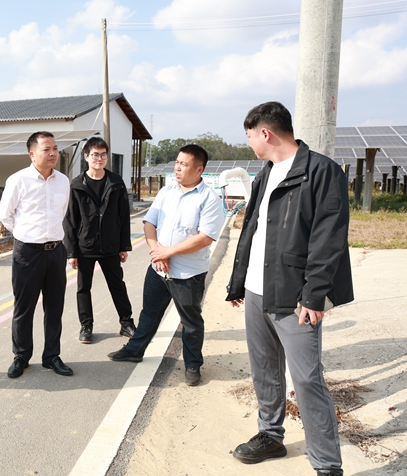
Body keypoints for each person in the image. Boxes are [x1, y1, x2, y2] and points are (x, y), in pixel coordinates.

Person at [226, 102, 353, 476]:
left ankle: (327, 465)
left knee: (307, 379)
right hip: (257, 291)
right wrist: (239, 282)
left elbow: (329, 238)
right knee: (264, 370)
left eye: (250, 136)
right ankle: (271, 436)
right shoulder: (264, 173)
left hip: (295, 296)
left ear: (265, 133)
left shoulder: (321, 172)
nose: (249, 143)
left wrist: (315, 294)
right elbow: (253, 230)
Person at [108, 144, 225, 387]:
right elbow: (149, 223)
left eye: (184, 164)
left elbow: (205, 238)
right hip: (158, 269)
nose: (177, 168)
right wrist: (157, 253)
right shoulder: (166, 191)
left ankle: (193, 364)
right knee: (149, 312)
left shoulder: (209, 198)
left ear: (199, 169)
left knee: (190, 322)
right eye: (177, 162)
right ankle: (135, 350)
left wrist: (168, 252)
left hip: (188, 274)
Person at [0, 131, 73, 378]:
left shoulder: (63, 181)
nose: (53, 153)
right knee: (24, 307)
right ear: (32, 154)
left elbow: (62, 213)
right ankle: (21, 356)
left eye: (55, 148)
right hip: (27, 253)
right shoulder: (18, 180)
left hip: (56, 251)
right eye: (46, 149)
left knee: (55, 306)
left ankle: (52, 356)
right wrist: (26, 235)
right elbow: (5, 215)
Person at [63, 136, 135, 344]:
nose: (100, 158)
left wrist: (124, 246)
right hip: (85, 246)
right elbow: (70, 220)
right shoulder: (77, 184)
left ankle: (126, 323)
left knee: (117, 285)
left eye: (103, 155)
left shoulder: (116, 182)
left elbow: (123, 216)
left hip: (110, 245)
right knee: (83, 288)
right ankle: (86, 325)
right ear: (86, 156)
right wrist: (71, 252)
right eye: (95, 155)